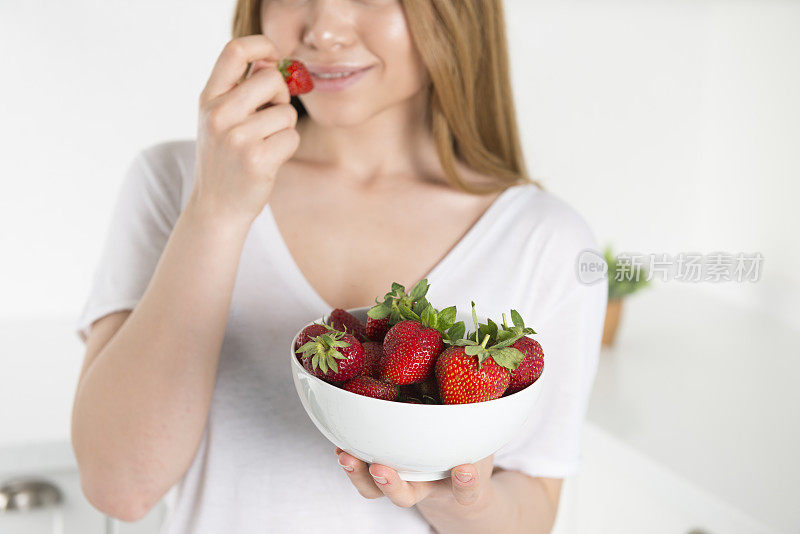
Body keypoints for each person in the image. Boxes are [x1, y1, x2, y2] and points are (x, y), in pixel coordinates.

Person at [70, 0, 607, 532]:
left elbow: (531, 509)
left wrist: (454, 499)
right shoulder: (176, 183)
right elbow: (120, 487)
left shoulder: (546, 240)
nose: (324, 31)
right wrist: (216, 211)